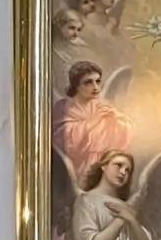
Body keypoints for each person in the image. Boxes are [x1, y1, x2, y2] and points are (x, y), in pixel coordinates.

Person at [51, 60, 131, 190]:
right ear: (76, 85)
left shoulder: (102, 106)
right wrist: (92, 123)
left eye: (98, 81)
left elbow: (124, 133)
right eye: (88, 82)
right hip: (75, 172)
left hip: (101, 170)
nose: (95, 87)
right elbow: (62, 141)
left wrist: (116, 121)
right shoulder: (63, 108)